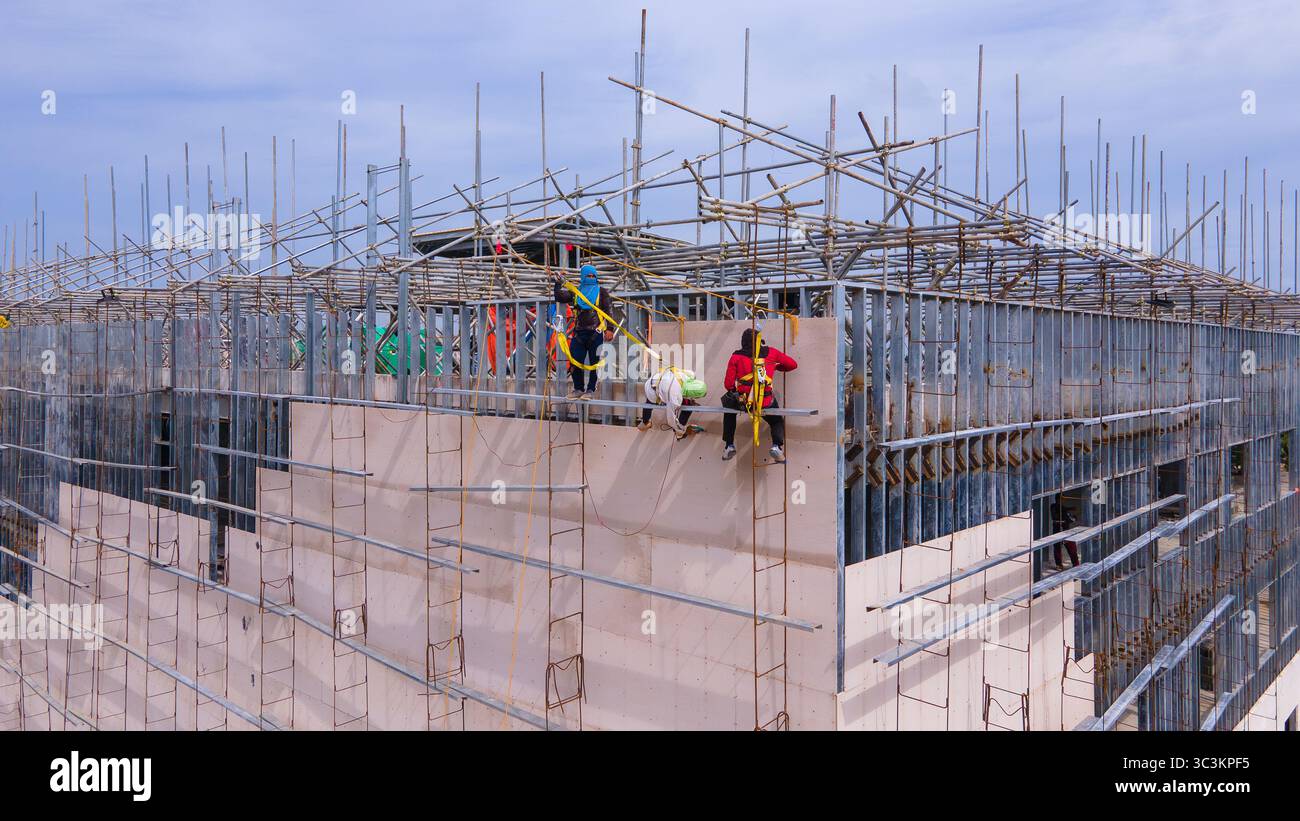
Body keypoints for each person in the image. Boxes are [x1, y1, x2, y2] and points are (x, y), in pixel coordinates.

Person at [721, 327, 797, 462]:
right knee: (776, 420)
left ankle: (729, 445)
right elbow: (792, 364)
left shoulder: (736, 357)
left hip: (744, 402)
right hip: (765, 401)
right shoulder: (772, 352)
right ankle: (777, 447)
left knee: (729, 411)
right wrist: (776, 366)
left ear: (743, 342)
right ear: (760, 341)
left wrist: (737, 391)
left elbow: (728, 384)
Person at [553, 264, 617, 399]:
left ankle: (590, 390)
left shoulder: (601, 292)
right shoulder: (577, 292)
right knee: (575, 361)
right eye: (588, 276)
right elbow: (559, 297)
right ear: (583, 277)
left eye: (593, 276)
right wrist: (558, 283)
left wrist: (610, 329)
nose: (591, 278)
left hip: (595, 332)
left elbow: (609, 311)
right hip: (579, 332)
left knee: (594, 363)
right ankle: (578, 388)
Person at [637, 368, 700, 440]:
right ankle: (645, 423)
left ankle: (645, 422)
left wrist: (690, 400)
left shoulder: (689, 375)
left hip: (657, 379)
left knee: (649, 403)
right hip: (653, 392)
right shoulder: (674, 397)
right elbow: (671, 420)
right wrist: (681, 431)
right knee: (687, 407)